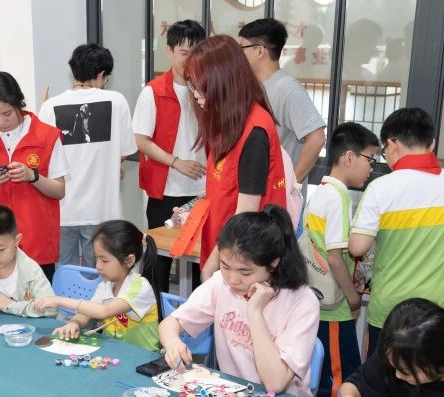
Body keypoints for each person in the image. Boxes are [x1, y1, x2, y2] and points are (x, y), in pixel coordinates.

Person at [347, 107, 444, 355]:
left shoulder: (381, 188)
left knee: (386, 376)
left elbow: (357, 247)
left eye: (384, 149)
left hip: (391, 312)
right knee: (434, 377)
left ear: (393, 143)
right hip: (440, 311)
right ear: (432, 143)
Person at [159, 206, 320, 397]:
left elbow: (275, 384)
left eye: (245, 272)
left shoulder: (302, 302)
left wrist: (255, 311)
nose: (233, 280)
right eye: (225, 266)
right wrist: (173, 342)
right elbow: (170, 323)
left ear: (273, 263)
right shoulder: (221, 283)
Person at [185, 34, 288, 273]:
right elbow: (223, 188)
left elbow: (245, 213)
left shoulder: (255, 131)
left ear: (222, 81)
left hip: (243, 261)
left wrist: (214, 263)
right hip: (225, 250)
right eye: (192, 85)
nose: (195, 94)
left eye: (200, 86)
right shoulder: (228, 123)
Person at [39, 44, 136, 268]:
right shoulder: (117, 101)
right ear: (101, 75)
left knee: (65, 277)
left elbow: (45, 159)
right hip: (102, 210)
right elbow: (124, 152)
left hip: (62, 211)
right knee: (101, 277)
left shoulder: (49, 106)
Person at [0, 71, 67, 281]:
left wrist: (33, 176)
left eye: (7, 113)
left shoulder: (47, 136)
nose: (1, 121)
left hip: (36, 242)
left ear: (19, 103)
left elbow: (59, 191)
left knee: (38, 299)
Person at [308, 122, 378, 397]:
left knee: (328, 372)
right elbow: (335, 257)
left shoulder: (321, 191)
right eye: (370, 160)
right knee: (339, 380)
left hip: (319, 298)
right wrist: (353, 298)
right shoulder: (338, 198)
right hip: (335, 307)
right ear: (349, 157)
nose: (371, 168)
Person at [134, 19, 207, 291]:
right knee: (158, 263)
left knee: (203, 264)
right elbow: (142, 141)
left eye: (196, 53)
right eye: (184, 53)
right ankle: (155, 314)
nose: (190, 60)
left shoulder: (208, 89)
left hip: (202, 191)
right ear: (170, 51)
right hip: (165, 191)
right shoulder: (153, 92)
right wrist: (177, 163)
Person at [34, 221, 161, 350]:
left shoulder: (140, 287)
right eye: (96, 258)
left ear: (129, 260)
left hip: (144, 356)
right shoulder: (105, 285)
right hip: (115, 353)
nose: (98, 266)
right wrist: (74, 323)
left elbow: (103, 311)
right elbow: (87, 313)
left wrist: (59, 300)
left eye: (104, 260)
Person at [238, 18, 327, 181]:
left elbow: (317, 137)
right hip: (254, 186)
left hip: (277, 191)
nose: (239, 54)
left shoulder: (287, 88)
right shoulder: (253, 86)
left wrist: (291, 183)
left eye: (242, 48)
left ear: (259, 51)